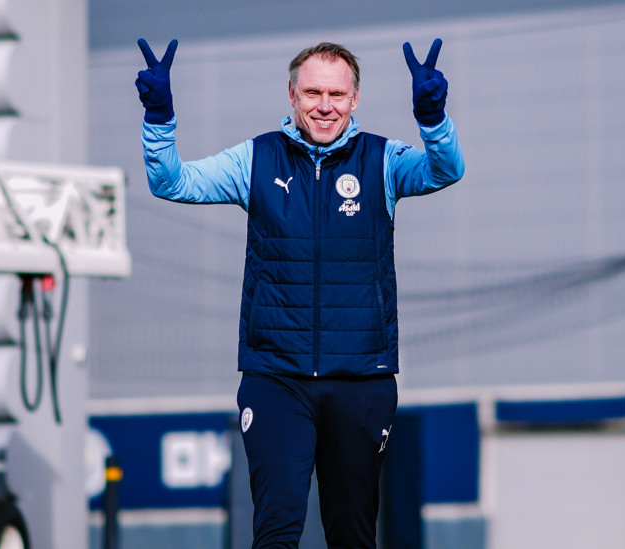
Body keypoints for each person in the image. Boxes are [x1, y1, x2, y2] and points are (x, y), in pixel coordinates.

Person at [135, 37, 464, 549]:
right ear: (292, 95)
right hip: (276, 377)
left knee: (352, 535)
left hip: (361, 377)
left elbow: (445, 170)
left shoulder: (382, 160)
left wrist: (433, 117)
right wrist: (159, 117)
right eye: (313, 92)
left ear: (355, 99)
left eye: (337, 94)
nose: (325, 106)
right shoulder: (257, 159)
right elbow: (173, 183)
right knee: (277, 530)